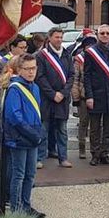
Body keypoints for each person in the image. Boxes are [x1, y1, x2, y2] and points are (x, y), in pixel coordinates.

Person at [1, 54, 45, 218]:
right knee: (18, 175)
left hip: (32, 136)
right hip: (19, 137)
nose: (31, 72)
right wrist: (33, 133)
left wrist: (38, 133)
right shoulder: (15, 88)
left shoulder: (35, 87)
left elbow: (37, 113)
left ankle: (26, 206)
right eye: (27, 69)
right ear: (19, 70)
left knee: (30, 174)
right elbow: (14, 117)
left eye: (33, 68)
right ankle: (16, 209)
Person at [84, 25, 109, 166]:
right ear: (97, 35)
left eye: (107, 33)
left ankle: (105, 153)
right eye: (102, 33)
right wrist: (89, 96)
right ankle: (95, 153)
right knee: (94, 128)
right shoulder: (91, 52)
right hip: (96, 94)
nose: (105, 35)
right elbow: (86, 75)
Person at [35, 27, 74, 168]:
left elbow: (71, 75)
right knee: (43, 130)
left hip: (62, 99)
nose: (59, 40)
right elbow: (40, 77)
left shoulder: (67, 54)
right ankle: (39, 158)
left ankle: (63, 158)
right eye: (57, 37)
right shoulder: (41, 56)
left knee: (62, 131)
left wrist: (63, 93)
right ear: (50, 38)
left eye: (61, 37)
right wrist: (52, 94)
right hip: (46, 99)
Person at [71, 35, 97, 159]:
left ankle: (94, 148)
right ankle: (82, 148)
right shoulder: (79, 60)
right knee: (83, 123)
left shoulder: (99, 58)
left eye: (92, 45)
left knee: (96, 125)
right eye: (88, 46)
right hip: (83, 95)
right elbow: (75, 79)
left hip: (97, 95)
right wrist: (75, 98)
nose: (90, 48)